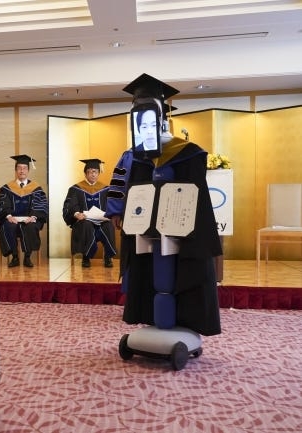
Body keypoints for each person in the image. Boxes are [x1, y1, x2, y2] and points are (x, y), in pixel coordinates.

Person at [117, 73, 222, 337]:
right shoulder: (138, 158)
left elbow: (198, 203)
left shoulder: (188, 152)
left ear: (163, 116)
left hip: (181, 234)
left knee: (184, 270)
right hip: (149, 234)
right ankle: (150, 317)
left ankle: (186, 321)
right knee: (147, 270)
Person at [0, 154, 48, 268]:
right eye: (19, 168)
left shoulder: (36, 188)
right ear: (16, 170)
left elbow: (40, 205)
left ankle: (27, 257)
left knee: (30, 226)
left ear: (28, 170)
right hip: (12, 219)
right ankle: (15, 257)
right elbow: (3, 205)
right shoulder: (7, 188)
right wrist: (9, 216)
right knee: (8, 226)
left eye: (24, 168)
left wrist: (33, 217)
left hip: (29, 219)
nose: (22, 171)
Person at [62, 158, 116, 268]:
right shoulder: (75, 189)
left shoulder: (106, 189)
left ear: (99, 173)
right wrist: (77, 214)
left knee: (109, 225)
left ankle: (108, 257)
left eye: (95, 172)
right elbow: (69, 206)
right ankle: (86, 257)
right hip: (84, 221)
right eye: (90, 172)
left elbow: (111, 206)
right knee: (86, 224)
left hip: (101, 221)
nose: (92, 174)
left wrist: (108, 215)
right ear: (85, 173)